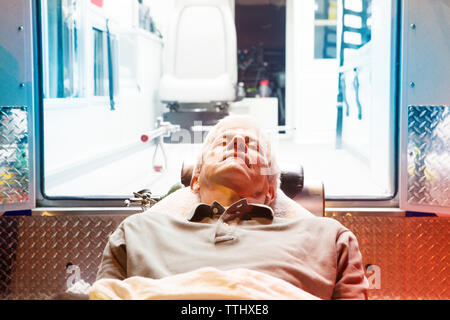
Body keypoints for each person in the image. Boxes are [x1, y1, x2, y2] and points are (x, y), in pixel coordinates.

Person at [96, 115, 369, 299]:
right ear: (195, 180)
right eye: (222, 143)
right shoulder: (137, 232)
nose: (237, 144)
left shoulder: (328, 238)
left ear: (272, 188)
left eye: (252, 146)